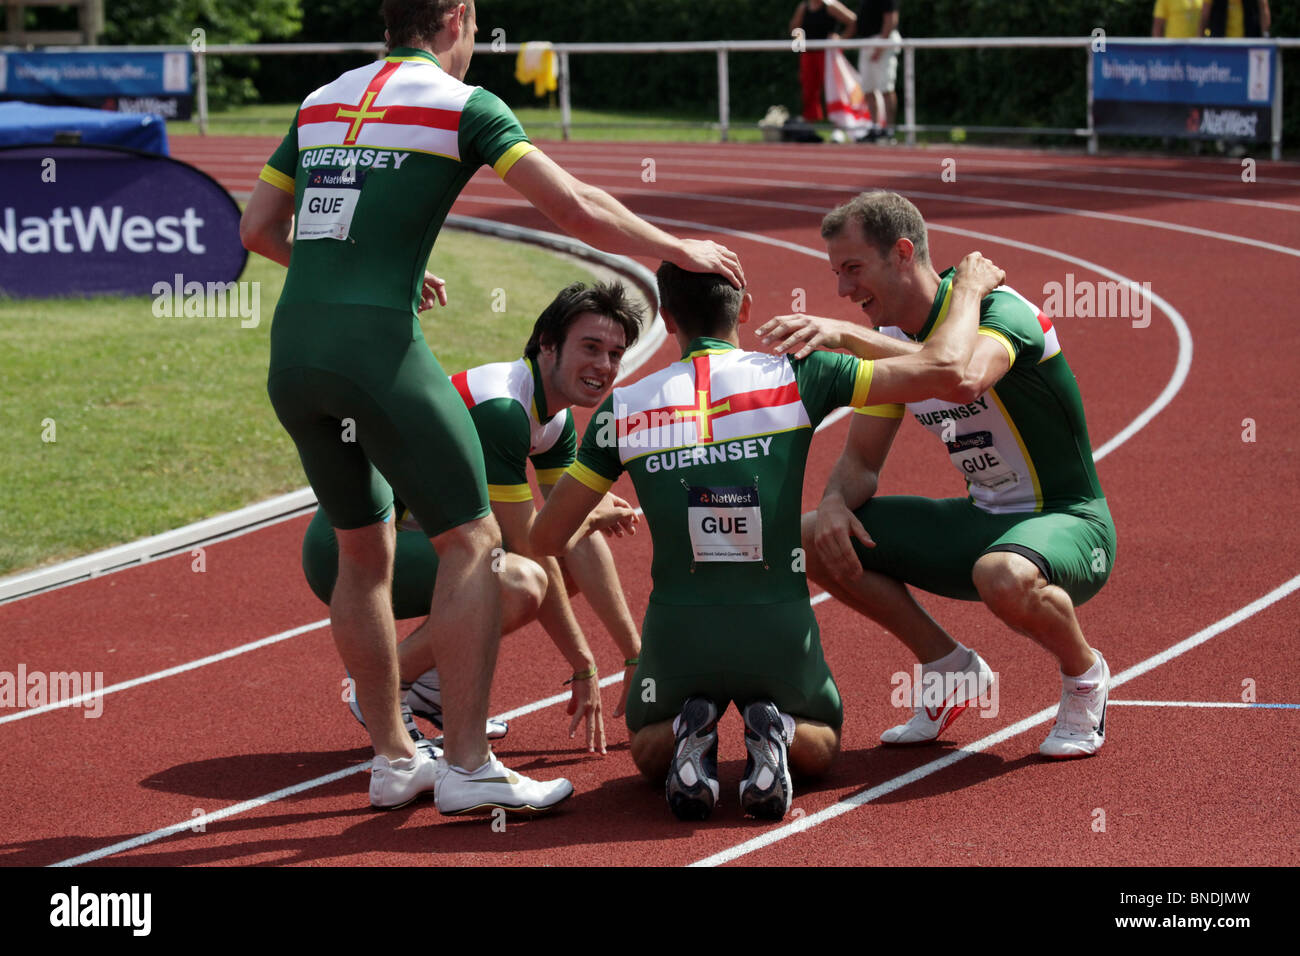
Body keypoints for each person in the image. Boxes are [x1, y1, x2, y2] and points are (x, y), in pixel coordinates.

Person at [239, 0, 743, 815]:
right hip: (376, 350)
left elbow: (260, 227)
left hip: (295, 353)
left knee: (363, 553)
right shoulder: (464, 104)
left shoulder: (321, 99)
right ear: (459, 18)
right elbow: (571, 205)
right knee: (475, 542)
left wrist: (365, 274)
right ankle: (469, 765)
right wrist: (675, 248)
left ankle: (395, 758)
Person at [531, 253, 1004, 821]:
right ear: (745, 308)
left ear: (669, 319)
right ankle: (777, 728)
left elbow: (548, 537)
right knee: (821, 743)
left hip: (679, 630)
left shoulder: (622, 409)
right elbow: (949, 370)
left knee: (647, 749)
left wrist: (601, 503)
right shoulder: (803, 373)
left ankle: (686, 727)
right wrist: (968, 289)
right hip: (777, 626)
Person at [758, 190, 1116, 760]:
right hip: (983, 523)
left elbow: (960, 378)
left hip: (1067, 519)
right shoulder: (897, 345)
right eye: (836, 274)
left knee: (1001, 574)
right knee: (817, 537)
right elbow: (860, 463)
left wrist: (855, 335)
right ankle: (951, 670)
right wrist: (832, 502)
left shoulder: (1002, 310)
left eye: (853, 269)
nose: (843, 291)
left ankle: (1085, 676)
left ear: (902, 253)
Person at [301, 281, 646, 755]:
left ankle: (430, 685)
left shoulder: (554, 418)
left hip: (416, 544)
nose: (604, 366)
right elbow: (534, 545)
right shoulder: (502, 410)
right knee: (517, 580)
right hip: (344, 552)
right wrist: (584, 663)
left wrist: (634, 656)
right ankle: (384, 686)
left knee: (539, 556)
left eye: (614, 353)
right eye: (590, 347)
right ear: (547, 344)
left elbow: (569, 536)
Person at [789, 0, 858, 122]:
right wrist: (800, 46)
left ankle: (839, 124)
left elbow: (853, 21)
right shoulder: (804, 7)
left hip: (828, 54)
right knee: (809, 90)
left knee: (833, 89)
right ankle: (810, 126)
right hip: (808, 54)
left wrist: (841, 40)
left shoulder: (830, 6)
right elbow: (795, 28)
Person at [848, 0, 900, 137]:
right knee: (868, 88)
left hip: (882, 41)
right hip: (867, 42)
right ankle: (874, 127)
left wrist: (881, 46)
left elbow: (891, 19)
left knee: (886, 88)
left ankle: (889, 130)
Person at [1200, 0, 1270, 37]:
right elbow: (1204, 17)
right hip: (1220, 46)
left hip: (1249, 44)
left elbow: (1263, 9)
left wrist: (1265, 37)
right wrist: (1199, 41)